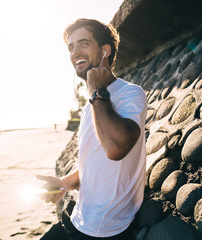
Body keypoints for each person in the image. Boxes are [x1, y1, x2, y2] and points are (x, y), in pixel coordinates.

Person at [37, 18, 147, 240]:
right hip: (79, 217)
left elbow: (115, 148)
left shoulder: (129, 93)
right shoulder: (94, 102)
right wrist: (65, 183)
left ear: (105, 51)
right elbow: (94, 160)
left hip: (105, 229)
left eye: (84, 43)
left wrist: (96, 89)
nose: (75, 52)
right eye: (71, 47)